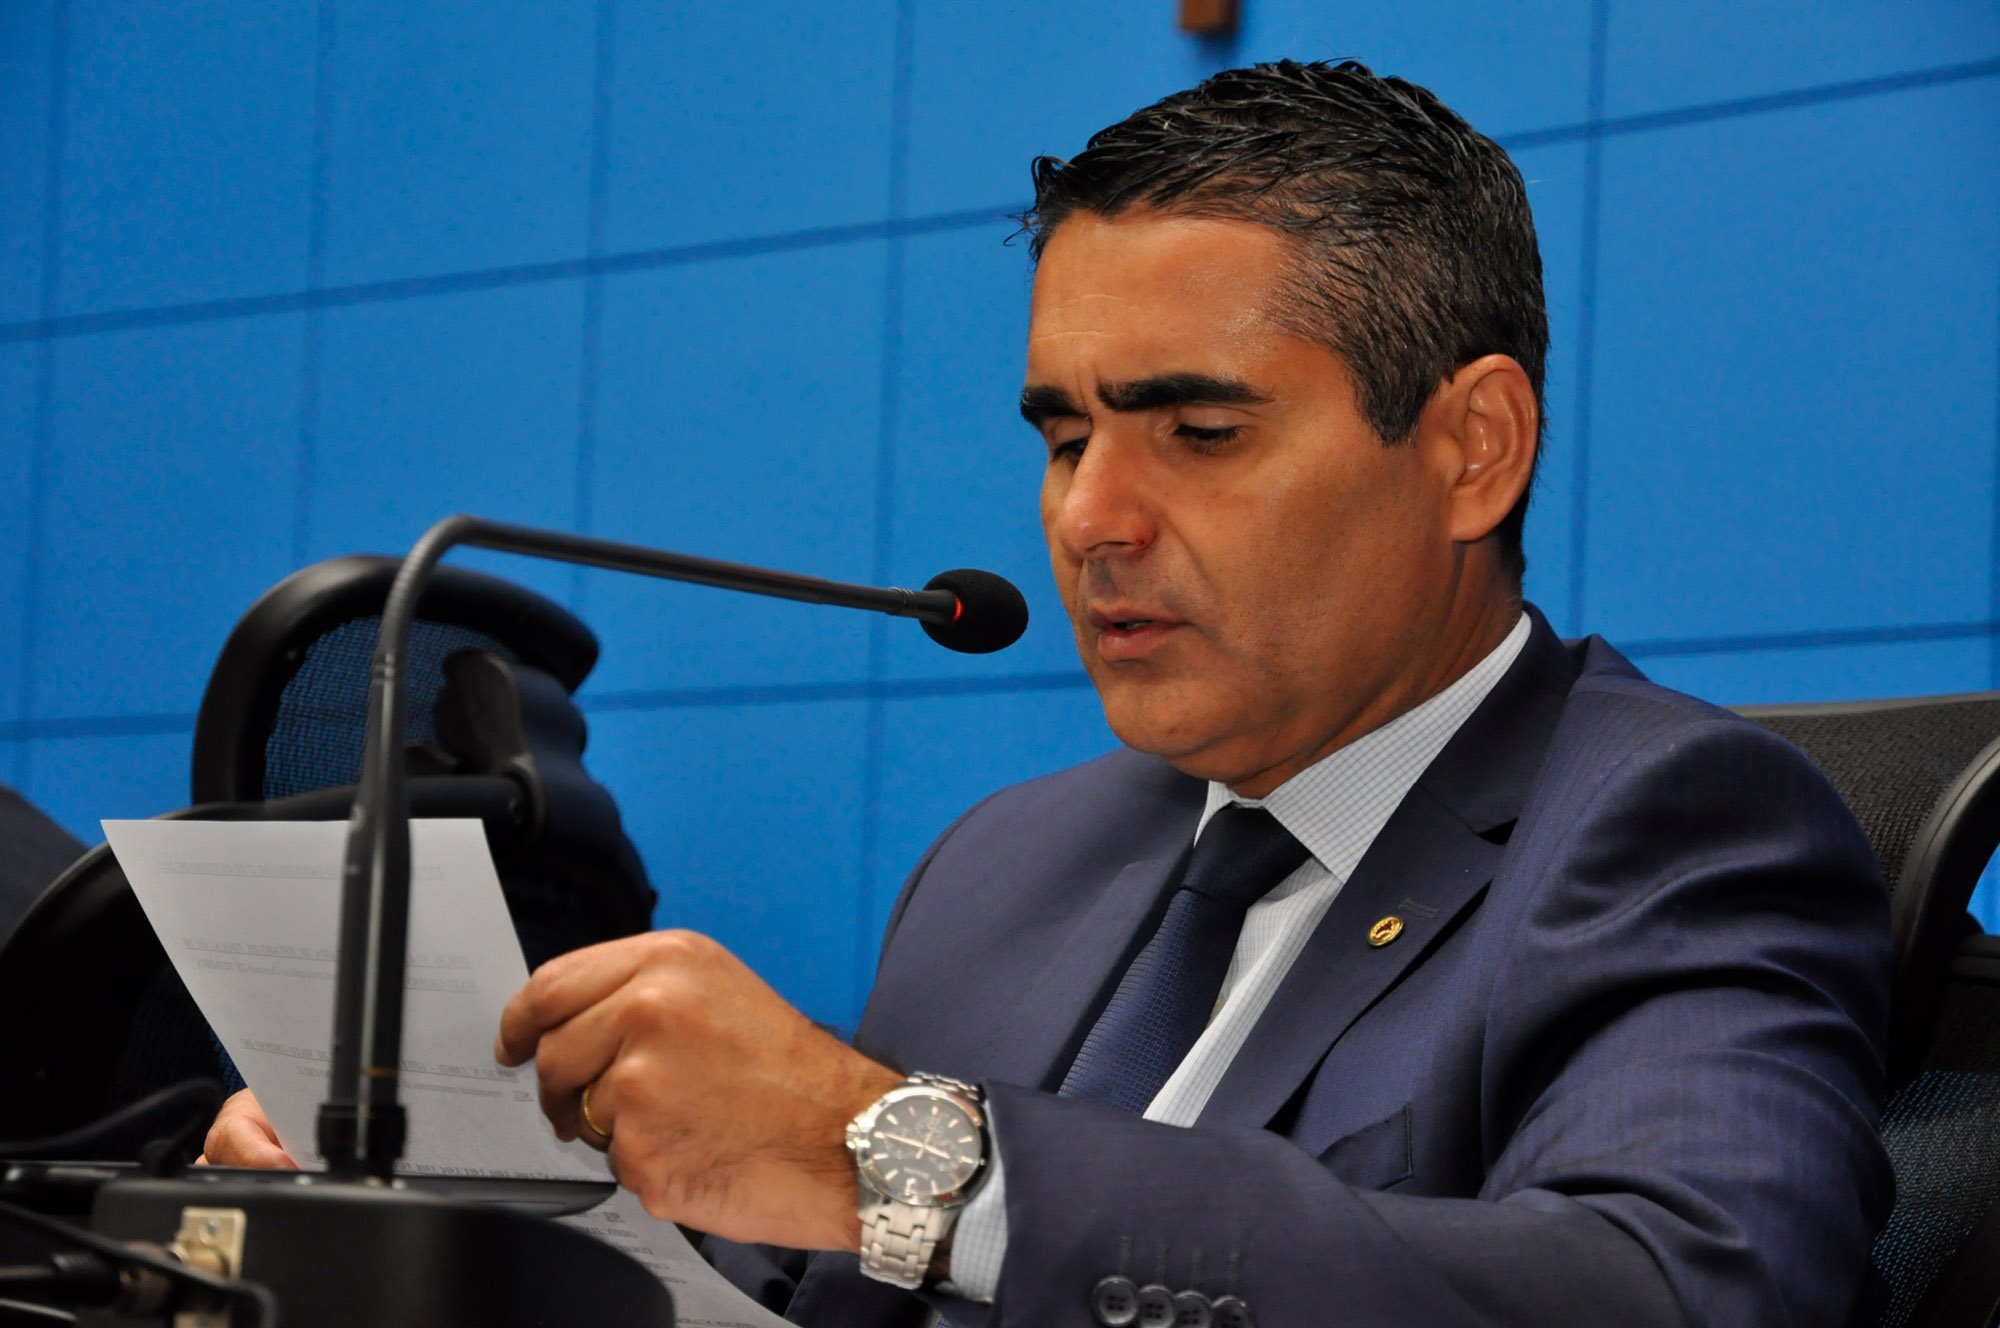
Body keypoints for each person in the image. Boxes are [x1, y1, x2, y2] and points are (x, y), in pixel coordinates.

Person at [206, 60, 1892, 1327]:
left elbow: (1683, 1293)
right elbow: (808, 1281)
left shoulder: (1672, 829)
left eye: (1198, 432)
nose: (1091, 518)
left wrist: (907, 1158)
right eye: (1066, 436)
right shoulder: (1011, 860)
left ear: (1473, 449)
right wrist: (478, 1220)